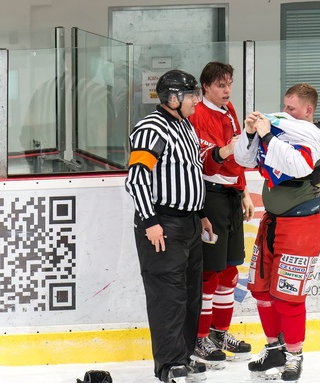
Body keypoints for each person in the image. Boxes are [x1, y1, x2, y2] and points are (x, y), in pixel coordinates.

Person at [233, 83, 320, 382]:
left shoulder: (316, 138)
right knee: (261, 290)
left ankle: (294, 354)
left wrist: (267, 132)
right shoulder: (282, 131)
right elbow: (245, 160)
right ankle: (274, 348)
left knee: (288, 297)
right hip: (272, 223)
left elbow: (297, 166)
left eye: (291, 109)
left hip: (301, 226)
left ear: (308, 110)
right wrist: (250, 133)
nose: (284, 114)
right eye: (284, 107)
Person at [125, 69, 212, 383]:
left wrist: (200, 213)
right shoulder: (153, 128)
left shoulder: (184, 125)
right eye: (191, 95)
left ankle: (183, 357)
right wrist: (150, 221)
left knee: (190, 294)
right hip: (163, 224)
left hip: (187, 223)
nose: (196, 101)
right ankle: (170, 365)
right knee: (168, 296)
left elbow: (189, 173)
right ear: (173, 98)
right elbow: (137, 179)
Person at [187, 62, 254, 368]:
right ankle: (199, 337)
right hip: (209, 197)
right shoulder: (197, 115)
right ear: (206, 88)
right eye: (220, 85)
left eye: (229, 84)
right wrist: (227, 150)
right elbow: (205, 162)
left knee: (229, 270)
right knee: (209, 273)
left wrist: (243, 190)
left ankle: (219, 332)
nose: (227, 90)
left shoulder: (229, 111)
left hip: (229, 197)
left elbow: (237, 158)